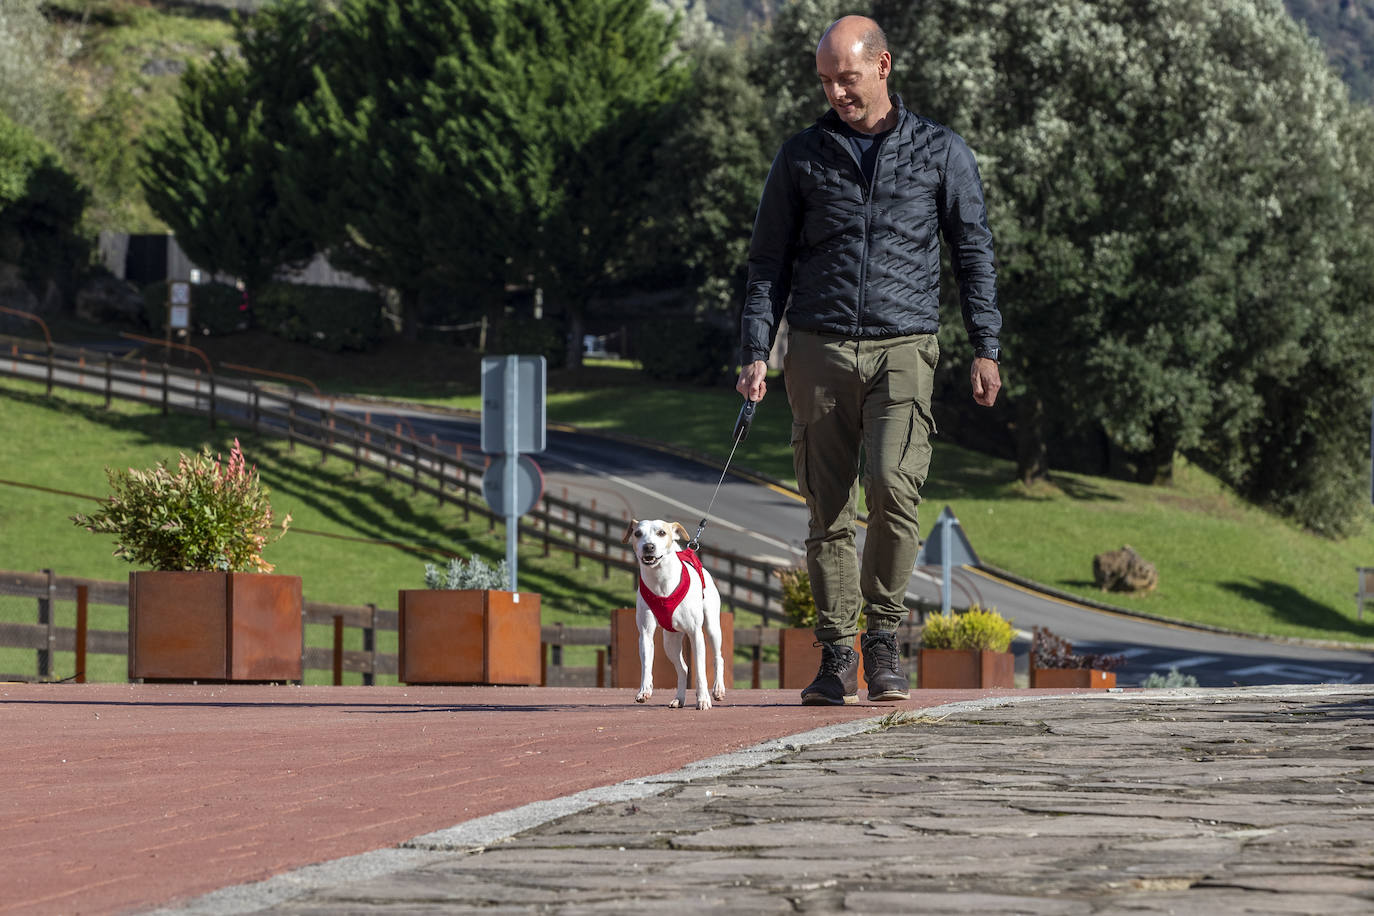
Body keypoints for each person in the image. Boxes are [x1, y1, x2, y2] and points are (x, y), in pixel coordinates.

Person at [737, 15, 1003, 706]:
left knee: (892, 487)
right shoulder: (801, 156)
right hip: (818, 348)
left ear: (882, 66)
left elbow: (973, 252)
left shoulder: (942, 152)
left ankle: (882, 639)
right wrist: (755, 350)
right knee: (827, 508)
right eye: (826, 81)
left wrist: (986, 346)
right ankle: (835, 655)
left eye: (846, 78)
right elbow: (767, 263)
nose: (836, 93)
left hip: (905, 346)